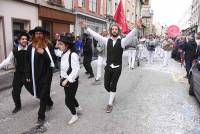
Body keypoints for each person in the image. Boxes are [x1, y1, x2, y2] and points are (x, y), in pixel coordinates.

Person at [80, 19, 141, 113]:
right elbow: (96, 36)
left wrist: (136, 28)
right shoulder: (106, 40)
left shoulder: (122, 42)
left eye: (116, 29)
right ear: (111, 31)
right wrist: (86, 28)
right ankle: (113, 94)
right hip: (108, 67)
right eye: (113, 29)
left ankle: (110, 104)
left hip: (117, 68)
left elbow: (130, 36)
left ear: (118, 31)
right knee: (106, 85)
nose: (114, 30)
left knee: (113, 85)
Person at [0, 31, 33, 114]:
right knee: (15, 92)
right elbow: (8, 60)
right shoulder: (14, 51)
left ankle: (45, 101)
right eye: (22, 39)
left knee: (33, 90)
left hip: (27, 74)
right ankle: (17, 106)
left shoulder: (30, 50)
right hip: (18, 74)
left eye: (26, 39)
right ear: (19, 40)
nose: (24, 40)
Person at [27, 26, 55, 125]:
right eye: (37, 33)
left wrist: (44, 53)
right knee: (41, 93)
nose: (38, 35)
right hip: (35, 75)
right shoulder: (30, 47)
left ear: (43, 35)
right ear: (34, 35)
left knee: (43, 95)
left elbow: (53, 61)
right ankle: (50, 102)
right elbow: (28, 62)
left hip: (46, 74)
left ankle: (41, 116)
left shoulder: (48, 45)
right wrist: (28, 75)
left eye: (40, 33)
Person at [56, 35, 81, 125]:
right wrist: (57, 41)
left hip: (71, 81)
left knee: (68, 100)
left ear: (67, 45)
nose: (59, 46)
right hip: (64, 80)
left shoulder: (73, 54)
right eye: (59, 44)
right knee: (71, 96)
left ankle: (74, 116)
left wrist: (67, 80)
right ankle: (78, 108)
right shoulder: (63, 52)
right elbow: (55, 51)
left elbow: (76, 70)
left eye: (61, 44)